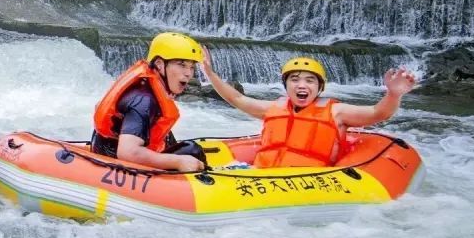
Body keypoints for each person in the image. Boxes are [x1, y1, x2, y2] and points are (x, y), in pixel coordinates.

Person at [200, 53, 417, 168]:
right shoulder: (272, 108)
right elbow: (236, 97)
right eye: (294, 80)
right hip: (263, 177)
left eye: (309, 80)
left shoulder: (337, 112)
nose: (301, 85)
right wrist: (209, 73)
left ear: (319, 87)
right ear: (286, 86)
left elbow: (378, 113)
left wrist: (394, 94)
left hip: (310, 184)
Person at [90, 32, 207, 172]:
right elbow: (127, 152)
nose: (188, 73)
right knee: (192, 150)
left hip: (109, 146)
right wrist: (179, 161)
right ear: (159, 65)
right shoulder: (143, 99)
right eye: (181, 65)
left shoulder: (151, 87)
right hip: (111, 158)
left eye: (192, 67)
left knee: (174, 141)